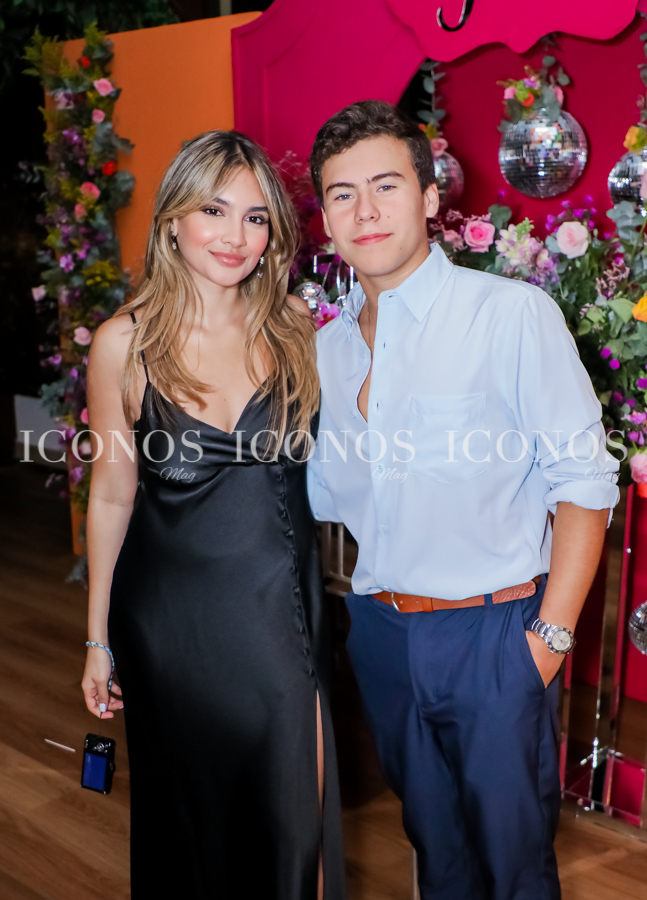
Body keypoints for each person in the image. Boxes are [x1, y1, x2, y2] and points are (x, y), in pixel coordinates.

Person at [306, 101, 619, 900]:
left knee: (513, 867)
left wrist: (547, 639)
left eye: (385, 186)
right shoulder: (327, 351)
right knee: (435, 853)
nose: (365, 210)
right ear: (326, 219)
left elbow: (584, 482)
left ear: (428, 196)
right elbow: (323, 496)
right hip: (381, 635)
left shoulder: (508, 315)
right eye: (342, 194)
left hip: (494, 635)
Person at [81, 130, 345, 900]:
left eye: (256, 218)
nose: (235, 236)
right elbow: (112, 493)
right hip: (167, 627)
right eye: (214, 210)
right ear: (173, 220)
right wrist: (97, 639)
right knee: (191, 831)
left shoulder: (293, 326)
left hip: (280, 619)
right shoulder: (123, 345)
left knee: (296, 825)